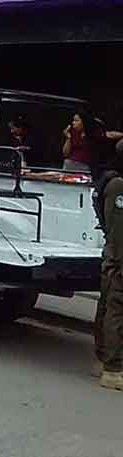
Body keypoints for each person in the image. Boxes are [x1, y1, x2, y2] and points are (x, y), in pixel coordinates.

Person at [93, 151, 123, 391]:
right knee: (116, 309)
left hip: (114, 256)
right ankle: (112, 369)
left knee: (109, 306)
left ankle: (103, 358)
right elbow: (118, 229)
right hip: (119, 257)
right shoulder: (118, 186)